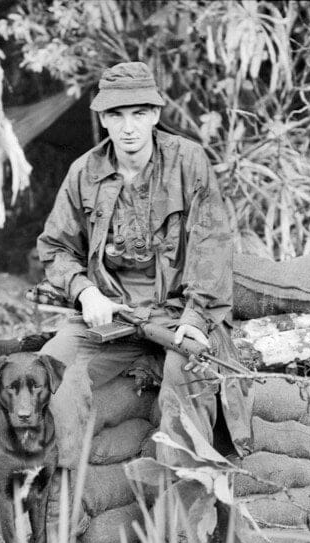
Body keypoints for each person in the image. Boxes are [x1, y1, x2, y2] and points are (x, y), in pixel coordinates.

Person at [37, 61, 235, 474]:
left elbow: (212, 246)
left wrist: (197, 318)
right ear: (103, 119)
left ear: (156, 115)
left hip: (178, 316)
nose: (129, 128)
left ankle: (184, 515)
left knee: (184, 389)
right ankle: (57, 494)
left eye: (139, 114)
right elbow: (55, 247)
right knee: (47, 374)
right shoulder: (84, 173)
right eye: (116, 115)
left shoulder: (188, 161)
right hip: (111, 319)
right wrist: (84, 291)